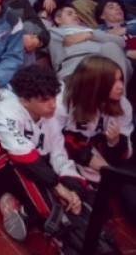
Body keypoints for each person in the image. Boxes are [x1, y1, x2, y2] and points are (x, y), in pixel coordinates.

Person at [0, 65, 101, 246]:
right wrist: (57, 187)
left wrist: (72, 189)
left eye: (53, 98)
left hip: (30, 173)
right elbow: (23, 156)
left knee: (72, 187)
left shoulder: (49, 117)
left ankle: (27, 212)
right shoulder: (4, 112)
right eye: (44, 100)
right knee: (22, 162)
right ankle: (59, 229)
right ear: (25, 100)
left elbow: (60, 157)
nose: (53, 105)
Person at [57, 56, 136, 224]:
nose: (121, 86)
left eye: (121, 79)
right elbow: (53, 142)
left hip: (106, 164)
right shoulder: (63, 101)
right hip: (67, 160)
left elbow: (124, 153)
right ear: (94, 83)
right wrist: (87, 158)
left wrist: (114, 143)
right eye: (113, 81)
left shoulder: (122, 104)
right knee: (97, 212)